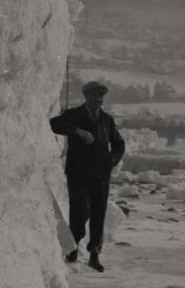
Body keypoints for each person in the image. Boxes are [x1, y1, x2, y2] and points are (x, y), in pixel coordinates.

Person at [48, 79, 126, 271]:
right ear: (86, 96)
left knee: (98, 214)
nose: (98, 99)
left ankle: (94, 254)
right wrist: (78, 131)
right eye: (94, 96)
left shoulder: (107, 120)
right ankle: (73, 248)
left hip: (100, 174)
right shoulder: (73, 115)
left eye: (101, 96)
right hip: (78, 173)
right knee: (79, 211)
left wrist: (112, 160)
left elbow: (119, 144)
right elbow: (54, 124)